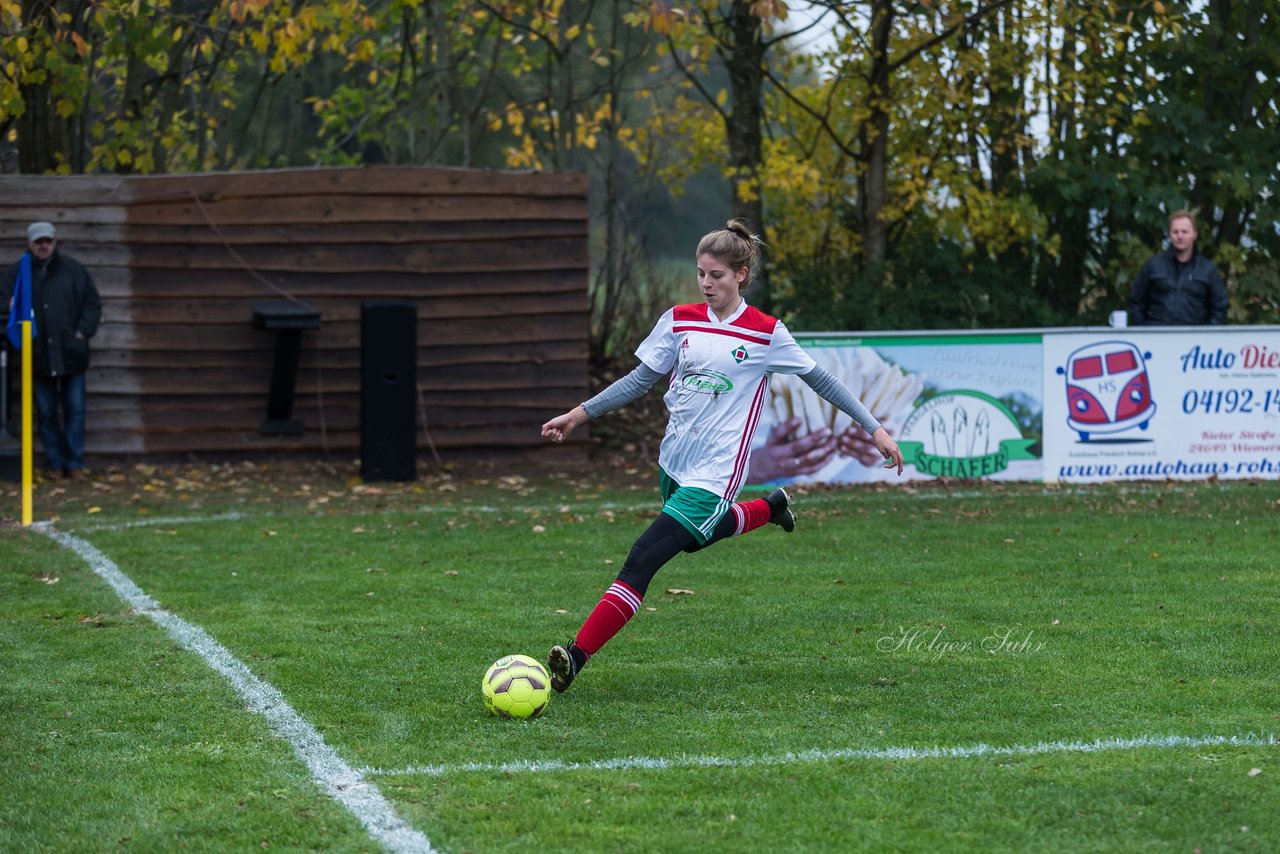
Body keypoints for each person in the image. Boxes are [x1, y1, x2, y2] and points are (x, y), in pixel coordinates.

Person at [540, 220, 903, 693]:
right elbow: (638, 381)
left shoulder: (766, 332)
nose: (707, 284)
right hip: (674, 461)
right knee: (691, 540)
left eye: (716, 275)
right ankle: (770, 507)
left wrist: (873, 427)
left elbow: (822, 381)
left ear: (742, 275)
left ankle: (575, 655)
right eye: (700, 274)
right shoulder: (679, 319)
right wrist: (578, 414)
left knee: (641, 560)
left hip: (717, 471)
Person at [2, 222, 102, 480]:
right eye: (38, 241)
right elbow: (4, 306)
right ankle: (55, 465)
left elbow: (92, 303)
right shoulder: (17, 274)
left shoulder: (74, 270)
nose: (43, 245)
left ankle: (75, 464)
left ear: (56, 241)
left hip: (72, 354)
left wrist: (82, 332)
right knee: (46, 414)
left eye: (47, 240)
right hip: (37, 357)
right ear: (29, 243)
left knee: (75, 412)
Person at [1128, 210, 1228, 326]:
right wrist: (1144, 333)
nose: (1180, 236)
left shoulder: (1208, 270)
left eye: (1184, 232)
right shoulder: (1153, 266)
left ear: (1194, 234)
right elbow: (1136, 304)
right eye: (1175, 232)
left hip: (1196, 340)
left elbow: (1220, 308)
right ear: (1170, 234)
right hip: (1156, 338)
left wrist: (1206, 336)